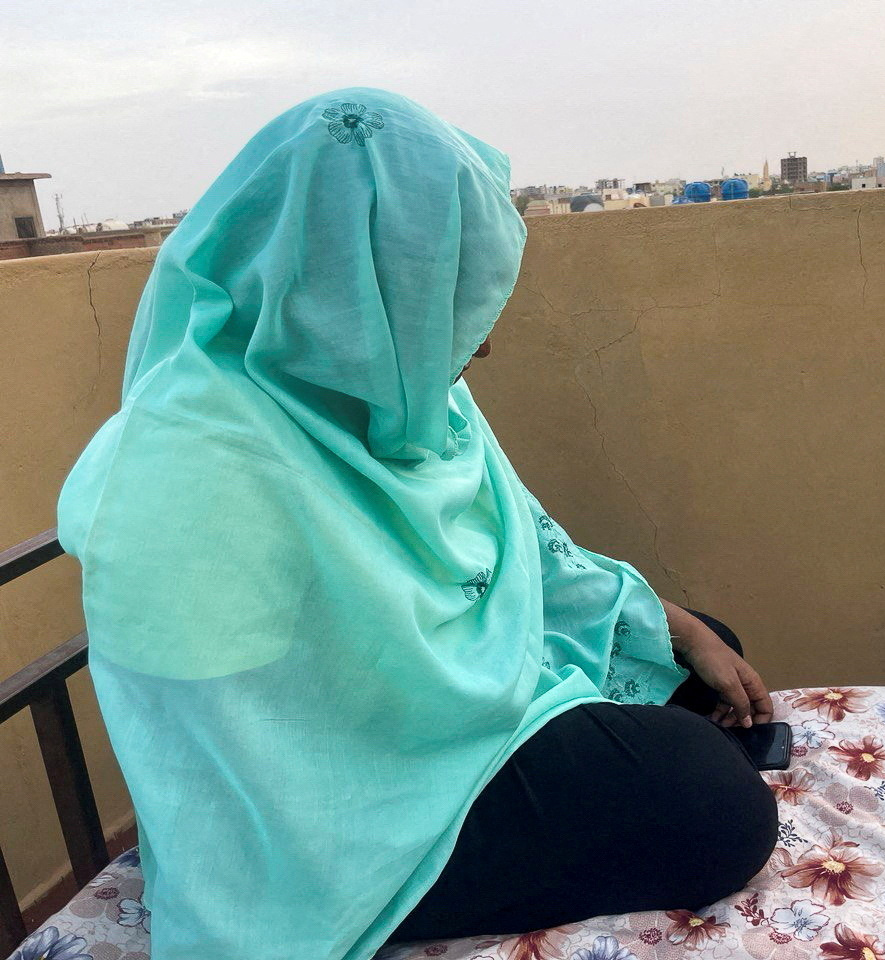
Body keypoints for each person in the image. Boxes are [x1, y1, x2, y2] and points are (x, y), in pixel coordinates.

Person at [55, 87, 778, 960]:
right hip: (349, 793)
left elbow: (520, 550)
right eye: (444, 303)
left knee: (699, 651)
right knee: (714, 806)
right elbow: (249, 753)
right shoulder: (192, 464)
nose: (480, 344)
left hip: (444, 694)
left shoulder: (388, 382)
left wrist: (675, 624)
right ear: (350, 292)